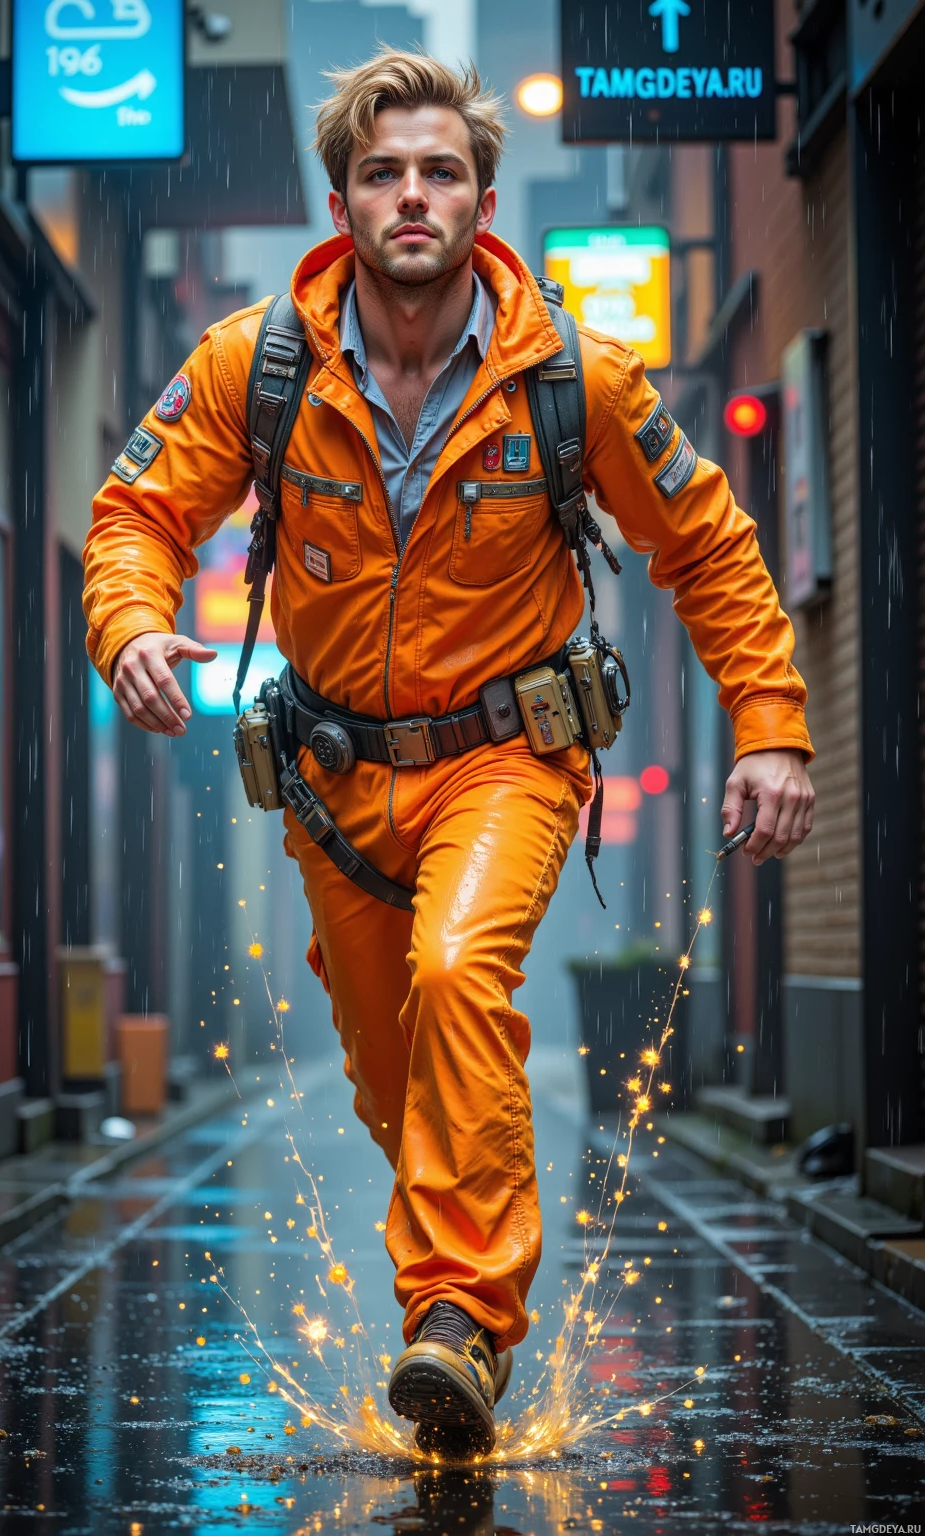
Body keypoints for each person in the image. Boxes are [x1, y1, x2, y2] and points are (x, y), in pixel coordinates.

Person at [83, 48, 815, 1458]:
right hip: (331, 778)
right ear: (344, 198)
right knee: (395, 1068)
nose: (410, 195)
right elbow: (135, 515)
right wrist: (125, 626)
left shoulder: (572, 380)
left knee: (455, 972)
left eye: (438, 172)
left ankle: (460, 1326)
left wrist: (773, 728)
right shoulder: (257, 365)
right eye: (381, 173)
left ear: (482, 198)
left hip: (505, 761)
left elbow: (709, 545)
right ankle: (450, 1307)